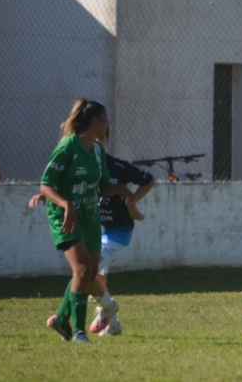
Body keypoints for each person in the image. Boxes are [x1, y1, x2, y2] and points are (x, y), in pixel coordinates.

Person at [30, 127, 156, 337]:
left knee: (83, 271)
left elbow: (149, 180)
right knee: (96, 277)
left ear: (104, 139)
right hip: (96, 229)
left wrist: (132, 201)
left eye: (101, 138)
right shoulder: (82, 162)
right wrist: (47, 196)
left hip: (117, 234)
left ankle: (64, 318)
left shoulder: (115, 166)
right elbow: (70, 186)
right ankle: (112, 320)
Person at [38, 98, 133, 343]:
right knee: (80, 269)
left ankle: (60, 320)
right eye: (105, 119)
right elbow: (46, 184)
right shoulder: (68, 147)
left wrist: (119, 188)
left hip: (90, 217)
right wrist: (66, 204)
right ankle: (79, 332)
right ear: (94, 122)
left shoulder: (98, 150)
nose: (108, 124)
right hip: (66, 217)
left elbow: (102, 187)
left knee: (89, 275)